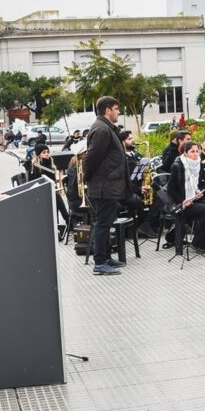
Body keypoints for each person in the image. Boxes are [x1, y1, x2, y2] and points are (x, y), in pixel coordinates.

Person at [80, 96, 130, 276]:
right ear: (107, 110)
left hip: (108, 185)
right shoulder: (102, 129)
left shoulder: (106, 127)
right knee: (102, 224)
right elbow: (91, 158)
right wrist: (88, 178)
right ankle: (100, 262)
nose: (118, 112)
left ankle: (106, 257)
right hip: (103, 186)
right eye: (116, 109)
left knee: (106, 222)